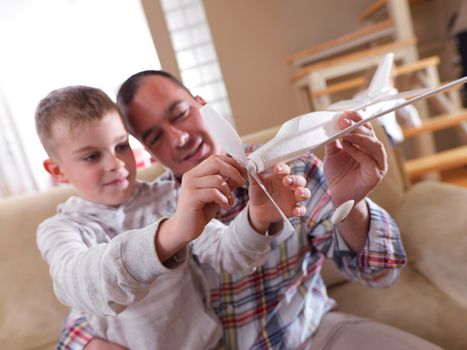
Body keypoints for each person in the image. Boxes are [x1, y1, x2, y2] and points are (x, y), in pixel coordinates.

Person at [61, 71, 442, 350]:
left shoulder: (297, 169)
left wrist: (352, 202)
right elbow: (90, 299)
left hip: (312, 335)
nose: (178, 139)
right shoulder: (149, 211)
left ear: (201, 104)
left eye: (179, 114)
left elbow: (381, 273)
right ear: (148, 151)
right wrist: (88, 344)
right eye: (154, 136)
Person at [35, 85, 311, 349]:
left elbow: (228, 255)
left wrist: (258, 218)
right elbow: (81, 285)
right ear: (57, 170)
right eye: (92, 156)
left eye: (121, 146)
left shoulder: (169, 195)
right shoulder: (59, 229)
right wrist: (171, 233)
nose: (116, 164)